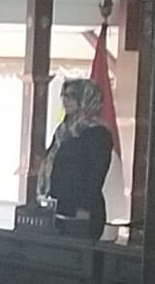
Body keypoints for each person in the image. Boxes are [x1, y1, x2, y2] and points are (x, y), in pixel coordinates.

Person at [40, 78, 114, 240]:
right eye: (64, 96)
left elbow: (96, 175)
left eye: (72, 96)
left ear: (85, 99)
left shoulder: (98, 134)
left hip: (83, 212)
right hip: (59, 206)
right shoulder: (63, 131)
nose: (66, 101)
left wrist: (83, 210)